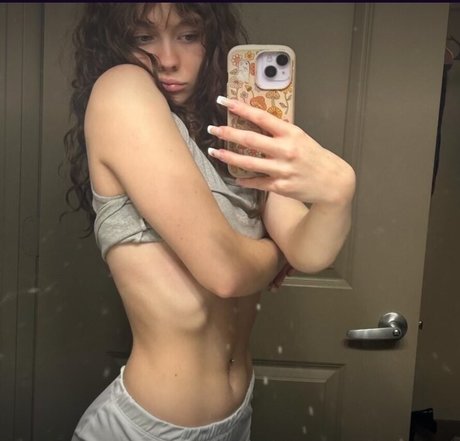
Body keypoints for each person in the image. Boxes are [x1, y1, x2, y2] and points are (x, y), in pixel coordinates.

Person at [65, 3, 356, 441]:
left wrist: (337, 194)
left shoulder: (232, 131)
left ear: (212, 39)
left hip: (236, 418)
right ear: (116, 41)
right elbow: (226, 273)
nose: (167, 59)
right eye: (144, 37)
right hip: (148, 431)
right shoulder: (121, 91)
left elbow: (308, 250)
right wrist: (275, 255)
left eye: (188, 35)